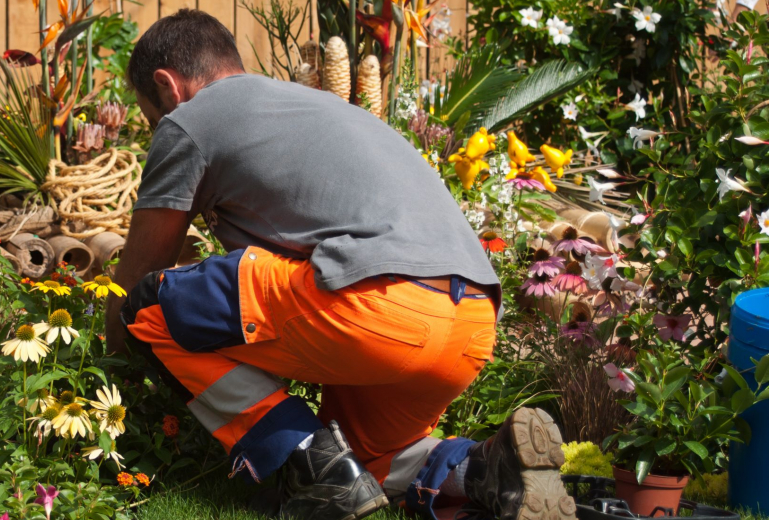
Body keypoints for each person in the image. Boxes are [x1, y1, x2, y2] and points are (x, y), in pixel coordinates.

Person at [104, 9, 576, 520]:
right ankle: (485, 468)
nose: (160, 129)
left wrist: (107, 373)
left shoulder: (190, 120)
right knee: (373, 461)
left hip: (377, 306)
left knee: (149, 307)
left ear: (166, 86)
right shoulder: (322, 109)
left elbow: (141, 273)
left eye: (153, 119)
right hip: (473, 322)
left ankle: (313, 463)